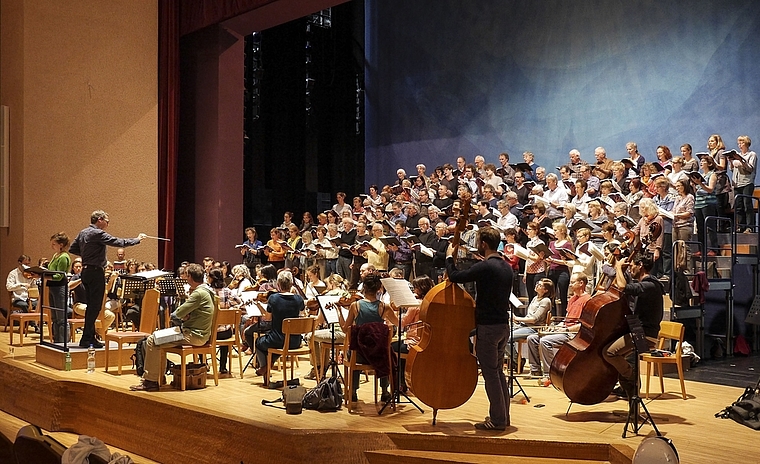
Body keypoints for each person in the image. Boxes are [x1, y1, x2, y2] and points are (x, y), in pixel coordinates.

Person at [445, 226, 513, 431]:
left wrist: (449, 257)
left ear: (483, 244)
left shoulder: (486, 267)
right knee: (498, 372)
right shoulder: (506, 266)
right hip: (503, 325)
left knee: (491, 374)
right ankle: (503, 417)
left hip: (489, 327)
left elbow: (455, 276)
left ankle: (498, 420)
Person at [130, 263, 215, 391]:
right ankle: (158, 377)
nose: (185, 279)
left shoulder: (198, 294)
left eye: (186, 276)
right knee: (156, 340)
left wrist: (184, 315)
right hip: (199, 333)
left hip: (193, 335)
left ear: (190, 277)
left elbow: (176, 314)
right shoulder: (207, 290)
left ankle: (151, 381)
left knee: (152, 340)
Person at [69, 210, 145, 348]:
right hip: (95, 271)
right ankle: (87, 339)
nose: (108, 223)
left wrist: (88, 254)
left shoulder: (82, 232)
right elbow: (118, 242)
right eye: (107, 220)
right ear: (99, 219)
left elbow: (73, 248)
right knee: (95, 307)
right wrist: (137, 239)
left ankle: (89, 337)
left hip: (86, 272)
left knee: (92, 307)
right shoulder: (98, 233)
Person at [604, 253, 664, 399]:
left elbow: (623, 286)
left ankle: (631, 377)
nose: (631, 270)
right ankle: (629, 389)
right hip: (639, 332)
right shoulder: (647, 285)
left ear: (640, 266)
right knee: (622, 358)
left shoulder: (650, 285)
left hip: (644, 335)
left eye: (632, 267)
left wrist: (618, 267)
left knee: (609, 353)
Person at [340, 272, 398, 403]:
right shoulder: (385, 307)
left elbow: (345, 329)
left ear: (364, 288)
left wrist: (339, 311)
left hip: (360, 355)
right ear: (378, 288)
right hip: (378, 354)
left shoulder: (356, 306)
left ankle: (353, 392)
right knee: (385, 351)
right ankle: (384, 391)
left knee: (354, 347)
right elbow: (398, 324)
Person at [525, 274, 591, 379]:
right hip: (565, 330)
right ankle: (535, 370)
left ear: (581, 283)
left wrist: (566, 329)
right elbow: (566, 318)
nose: (570, 284)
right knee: (532, 338)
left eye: (573, 282)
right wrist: (556, 327)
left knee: (545, 341)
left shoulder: (588, 300)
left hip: (573, 334)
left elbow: (583, 324)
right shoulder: (572, 299)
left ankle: (550, 374)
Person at [254, 270, 306, 379]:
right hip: (295, 341)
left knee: (259, 342)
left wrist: (258, 305)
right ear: (291, 284)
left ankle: (265, 367)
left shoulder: (273, 298)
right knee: (277, 347)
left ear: (278, 284)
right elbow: (302, 315)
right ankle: (267, 366)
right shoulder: (298, 299)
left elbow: (267, 319)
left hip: (277, 339)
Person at [47, 232, 72, 343]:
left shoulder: (63, 257)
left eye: (54, 244)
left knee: (61, 318)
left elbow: (59, 275)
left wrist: (46, 276)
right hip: (52, 287)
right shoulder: (55, 255)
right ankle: (56, 340)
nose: (52, 246)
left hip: (60, 288)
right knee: (55, 318)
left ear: (61, 245)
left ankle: (63, 342)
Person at [733, 135, 757, 232]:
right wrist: (731, 161)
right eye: (738, 143)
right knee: (739, 206)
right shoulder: (737, 155)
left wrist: (741, 161)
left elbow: (750, 168)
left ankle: (749, 227)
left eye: (742, 142)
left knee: (747, 204)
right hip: (737, 183)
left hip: (747, 182)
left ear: (746, 143)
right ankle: (741, 226)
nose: (740, 145)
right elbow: (733, 169)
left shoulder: (752, 155)